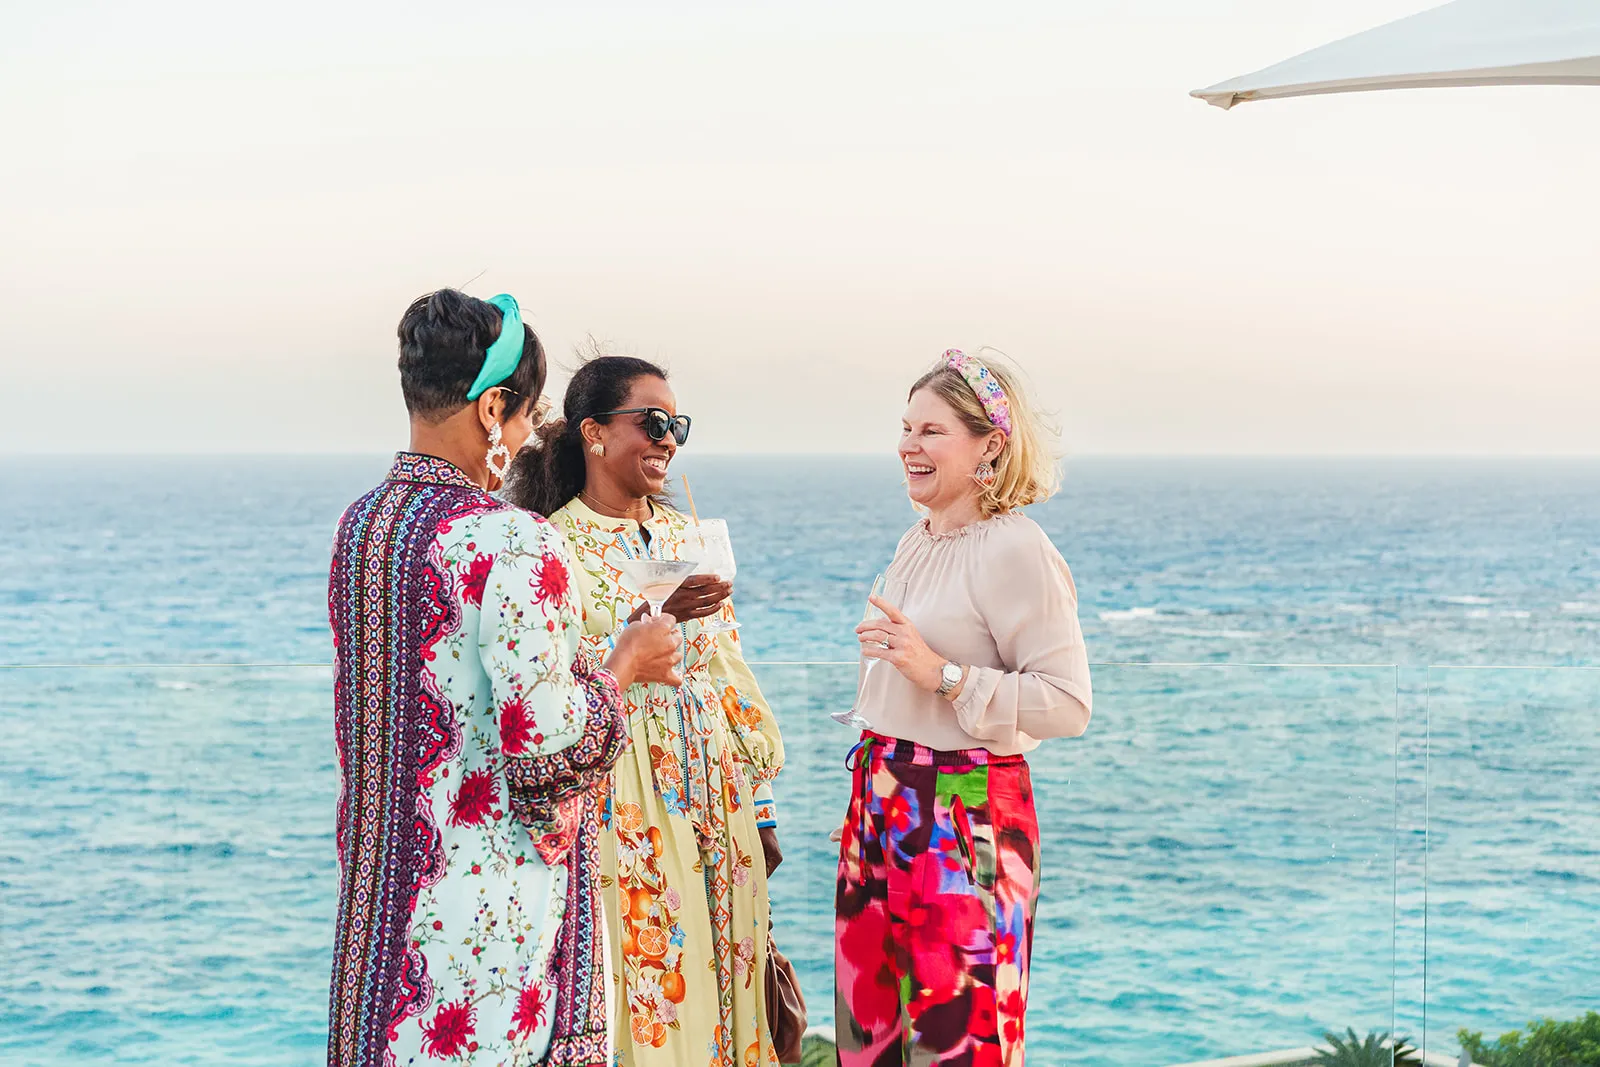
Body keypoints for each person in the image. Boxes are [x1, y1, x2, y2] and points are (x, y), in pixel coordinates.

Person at [325, 291, 682, 1067]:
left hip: (379, 924)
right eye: (523, 418)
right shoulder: (512, 542)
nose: (526, 439)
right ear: (492, 409)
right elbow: (546, 754)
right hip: (485, 932)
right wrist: (625, 664)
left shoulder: (362, 528)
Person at [505, 356, 786, 1067]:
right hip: (622, 797)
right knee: (649, 988)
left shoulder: (688, 532)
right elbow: (544, 685)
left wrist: (762, 804)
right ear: (594, 434)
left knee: (730, 976)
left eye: (677, 426)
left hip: (714, 793)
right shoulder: (552, 545)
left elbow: (726, 664)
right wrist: (632, 636)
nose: (668, 440)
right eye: (653, 422)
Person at [834, 349, 1093, 1067]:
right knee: (871, 1038)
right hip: (884, 801)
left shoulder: (1017, 548)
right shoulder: (915, 541)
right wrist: (873, 796)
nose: (907, 447)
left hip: (964, 803)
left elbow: (1069, 703)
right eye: (906, 428)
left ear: (990, 445)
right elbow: (900, 685)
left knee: (962, 1039)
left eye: (931, 431)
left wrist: (944, 674)